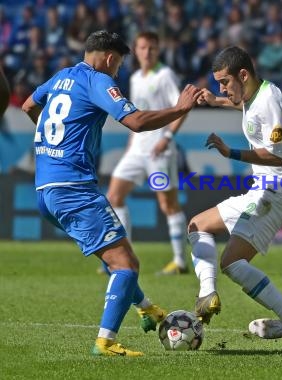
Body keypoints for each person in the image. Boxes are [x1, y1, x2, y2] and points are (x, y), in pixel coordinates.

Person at [21, 30, 199, 356]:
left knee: (113, 257)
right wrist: (179, 108)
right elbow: (135, 120)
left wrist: (51, 144)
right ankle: (106, 341)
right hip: (74, 188)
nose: (117, 73)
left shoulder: (62, 76)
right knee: (127, 265)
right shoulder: (99, 81)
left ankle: (145, 306)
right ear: (109, 59)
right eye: (118, 66)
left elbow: (29, 104)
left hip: (45, 189)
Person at [189, 46, 282, 352]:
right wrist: (218, 101)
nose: (222, 88)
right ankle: (208, 292)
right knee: (197, 225)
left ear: (242, 74)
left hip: (276, 192)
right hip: (267, 189)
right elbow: (250, 112)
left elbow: (274, 157)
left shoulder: (269, 102)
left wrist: (229, 152)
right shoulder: (255, 94)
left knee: (232, 262)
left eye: (225, 82)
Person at [106, 31, 189, 275]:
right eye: (143, 48)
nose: (147, 52)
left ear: (158, 50)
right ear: (136, 49)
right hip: (137, 150)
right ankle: (124, 256)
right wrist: (131, 143)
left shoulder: (165, 75)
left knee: (167, 203)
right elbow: (136, 116)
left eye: (152, 48)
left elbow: (181, 109)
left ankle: (179, 261)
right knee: (114, 195)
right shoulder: (134, 78)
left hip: (159, 153)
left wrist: (167, 138)